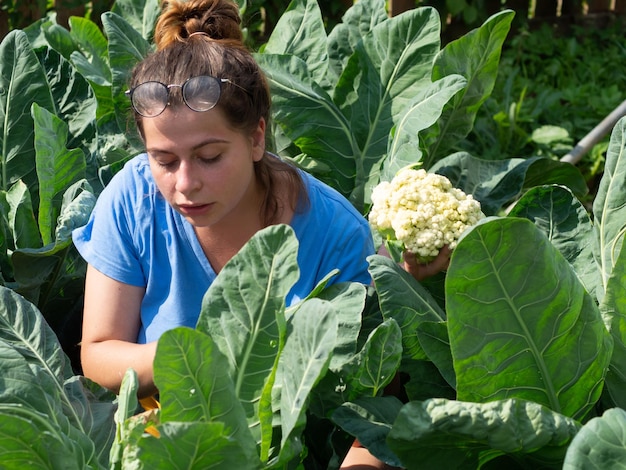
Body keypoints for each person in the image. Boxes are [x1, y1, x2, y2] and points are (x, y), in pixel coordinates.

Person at [72, 0, 449, 467]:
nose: (185, 183)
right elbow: (100, 353)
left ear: (256, 138)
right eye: (164, 161)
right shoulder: (132, 197)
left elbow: (375, 411)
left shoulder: (336, 233)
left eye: (209, 156)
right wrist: (204, 355)